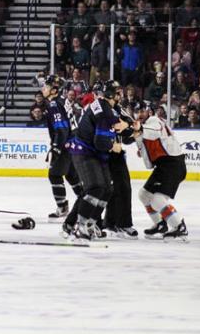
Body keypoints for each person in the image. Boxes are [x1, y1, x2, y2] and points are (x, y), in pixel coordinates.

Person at [69, 80, 129, 242]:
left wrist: (126, 126)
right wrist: (113, 146)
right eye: (117, 92)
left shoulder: (108, 107)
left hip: (94, 154)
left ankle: (89, 223)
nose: (120, 95)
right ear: (109, 94)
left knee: (107, 189)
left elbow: (121, 124)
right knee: (95, 188)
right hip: (85, 152)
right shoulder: (104, 110)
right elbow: (100, 142)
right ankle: (79, 226)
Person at [24, 75, 83, 233]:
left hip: (66, 144)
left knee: (54, 174)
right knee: (72, 176)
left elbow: (62, 128)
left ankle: (63, 208)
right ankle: (85, 201)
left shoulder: (54, 104)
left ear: (54, 90)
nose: (43, 89)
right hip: (74, 143)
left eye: (46, 87)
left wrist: (56, 146)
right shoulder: (62, 100)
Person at [132, 103, 188, 241]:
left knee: (157, 200)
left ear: (149, 112)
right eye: (137, 111)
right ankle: (159, 224)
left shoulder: (154, 121)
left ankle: (179, 226)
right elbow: (148, 163)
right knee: (144, 195)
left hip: (173, 164)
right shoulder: (142, 130)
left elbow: (154, 132)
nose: (139, 114)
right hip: (163, 165)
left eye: (142, 110)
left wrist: (139, 129)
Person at [103, 95, 139, 239]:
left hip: (116, 155)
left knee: (123, 188)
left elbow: (125, 135)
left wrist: (134, 132)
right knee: (109, 189)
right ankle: (109, 223)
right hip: (103, 154)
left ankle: (121, 223)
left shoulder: (117, 109)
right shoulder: (99, 110)